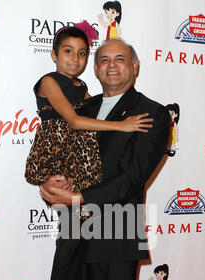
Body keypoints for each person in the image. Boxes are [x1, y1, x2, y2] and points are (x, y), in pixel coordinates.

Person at [38, 38, 170, 280]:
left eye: (121, 59)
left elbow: (133, 177)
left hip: (118, 224)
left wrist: (78, 198)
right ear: (94, 70)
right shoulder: (82, 108)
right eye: (104, 60)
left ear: (135, 67)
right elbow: (59, 154)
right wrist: (51, 183)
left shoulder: (154, 114)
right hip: (76, 226)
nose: (112, 66)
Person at [25, 23, 151, 191]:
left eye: (82, 53)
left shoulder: (80, 85)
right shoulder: (49, 82)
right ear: (54, 54)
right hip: (56, 148)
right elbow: (75, 121)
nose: (75, 58)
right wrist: (122, 125)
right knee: (69, 200)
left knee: (87, 199)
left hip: (78, 151)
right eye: (68, 51)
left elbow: (100, 109)